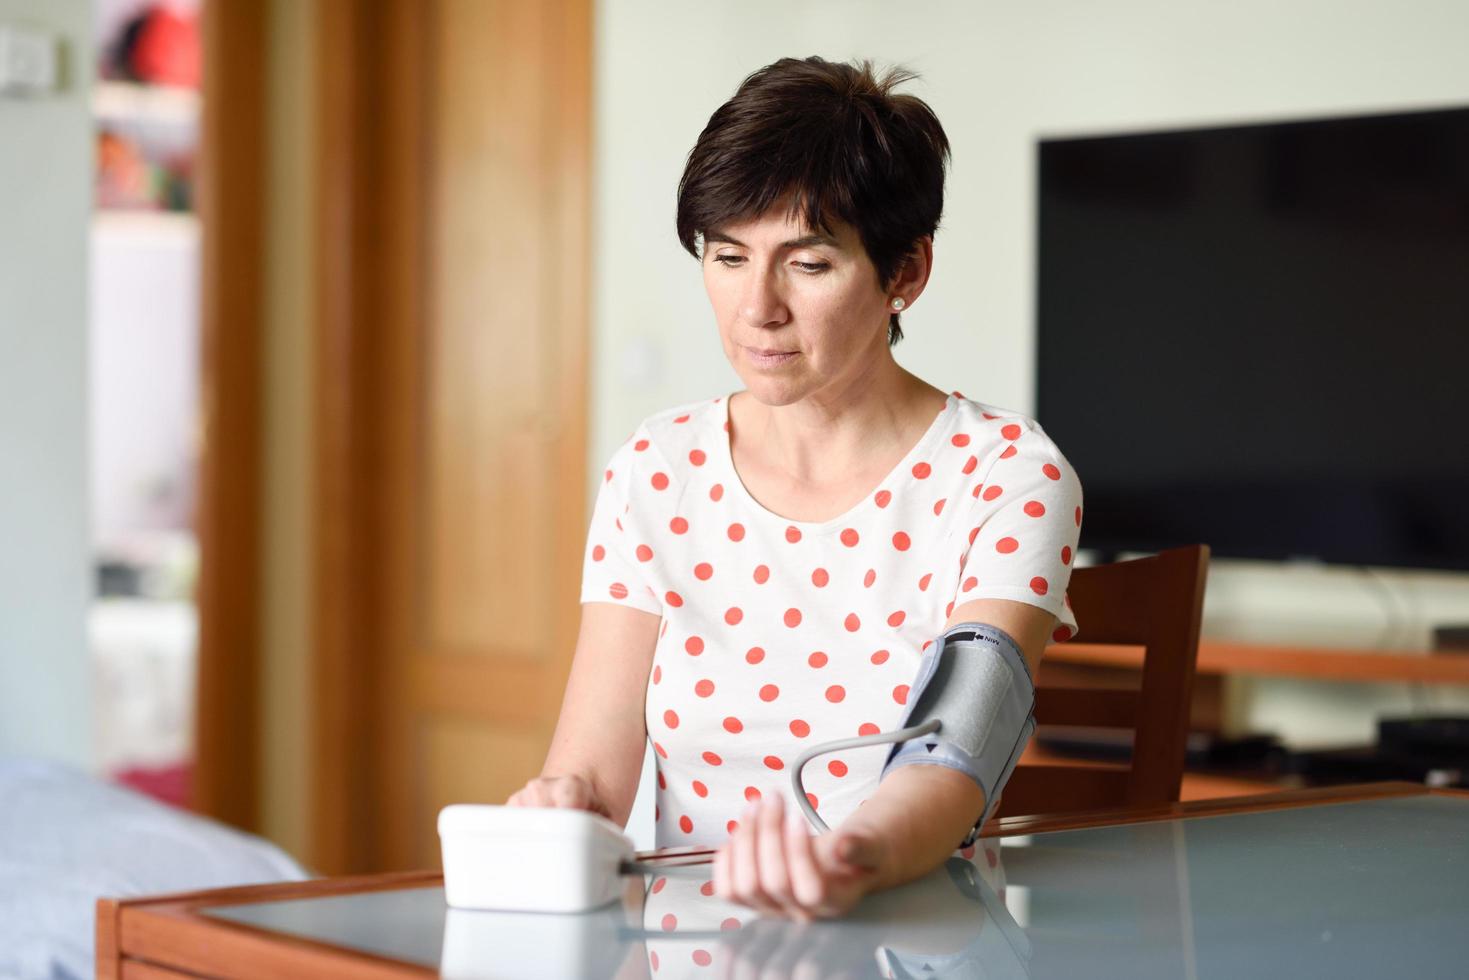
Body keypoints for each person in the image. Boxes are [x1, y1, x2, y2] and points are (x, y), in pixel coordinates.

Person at [508, 55, 1084, 921]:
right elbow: (589, 768)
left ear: (905, 273)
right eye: (728, 256)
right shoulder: (654, 470)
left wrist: (844, 861)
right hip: (685, 945)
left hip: (909, 936)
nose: (756, 308)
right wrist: (560, 807)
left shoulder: (1004, 473)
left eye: (807, 265)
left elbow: (954, 756)